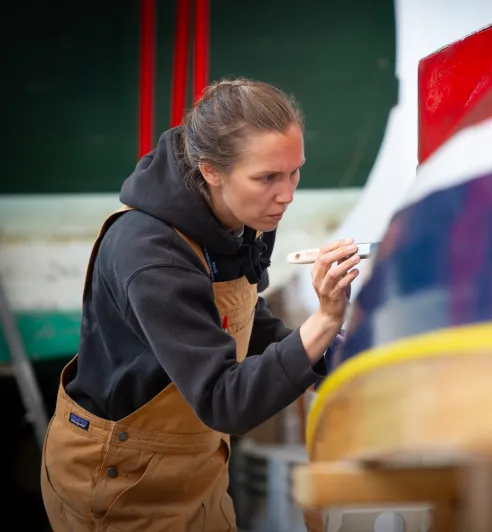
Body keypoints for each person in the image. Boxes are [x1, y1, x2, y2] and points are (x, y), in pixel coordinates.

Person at [40, 77, 361, 531]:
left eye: (295, 172)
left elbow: (242, 320)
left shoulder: (239, 214)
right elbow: (223, 400)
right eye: (268, 177)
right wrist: (324, 320)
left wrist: (339, 353)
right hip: (122, 481)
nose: (288, 194)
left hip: (198, 468)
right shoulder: (151, 254)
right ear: (211, 170)